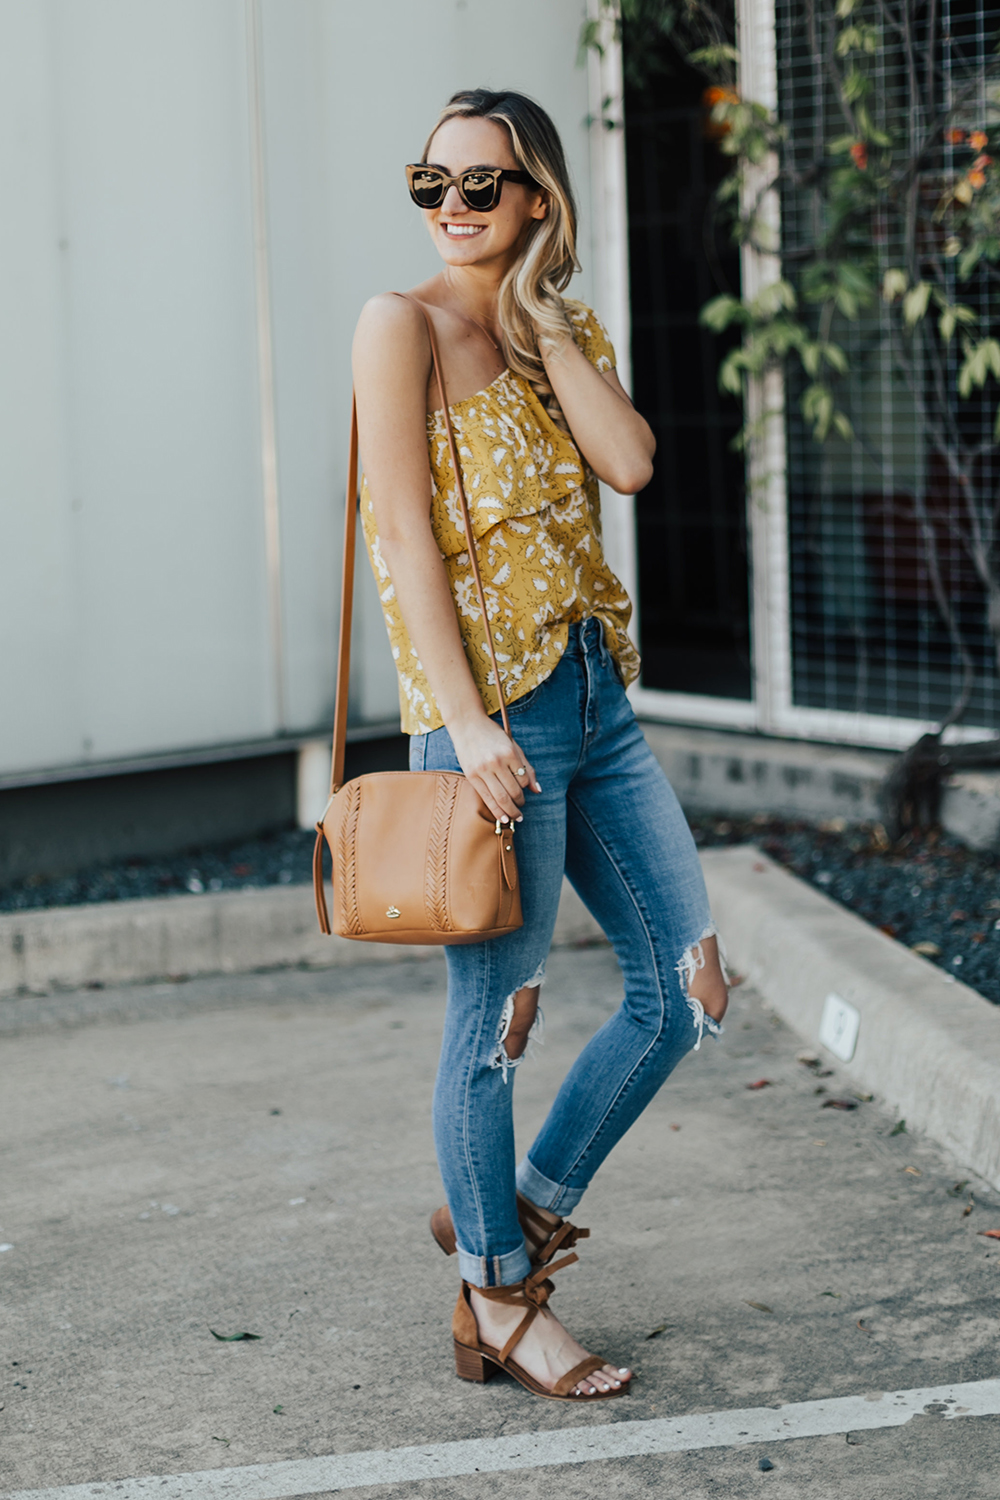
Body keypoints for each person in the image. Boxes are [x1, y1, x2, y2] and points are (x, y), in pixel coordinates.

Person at [352, 88, 728, 1403]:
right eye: (433, 183)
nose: (451, 207)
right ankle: (498, 1303)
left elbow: (629, 463)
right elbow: (401, 540)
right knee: (497, 1017)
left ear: (537, 204)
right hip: (491, 723)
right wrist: (463, 727)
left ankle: (508, 1212)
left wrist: (550, 326)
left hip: (594, 699)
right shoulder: (394, 327)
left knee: (684, 987)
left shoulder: (553, 331)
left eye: (481, 186)